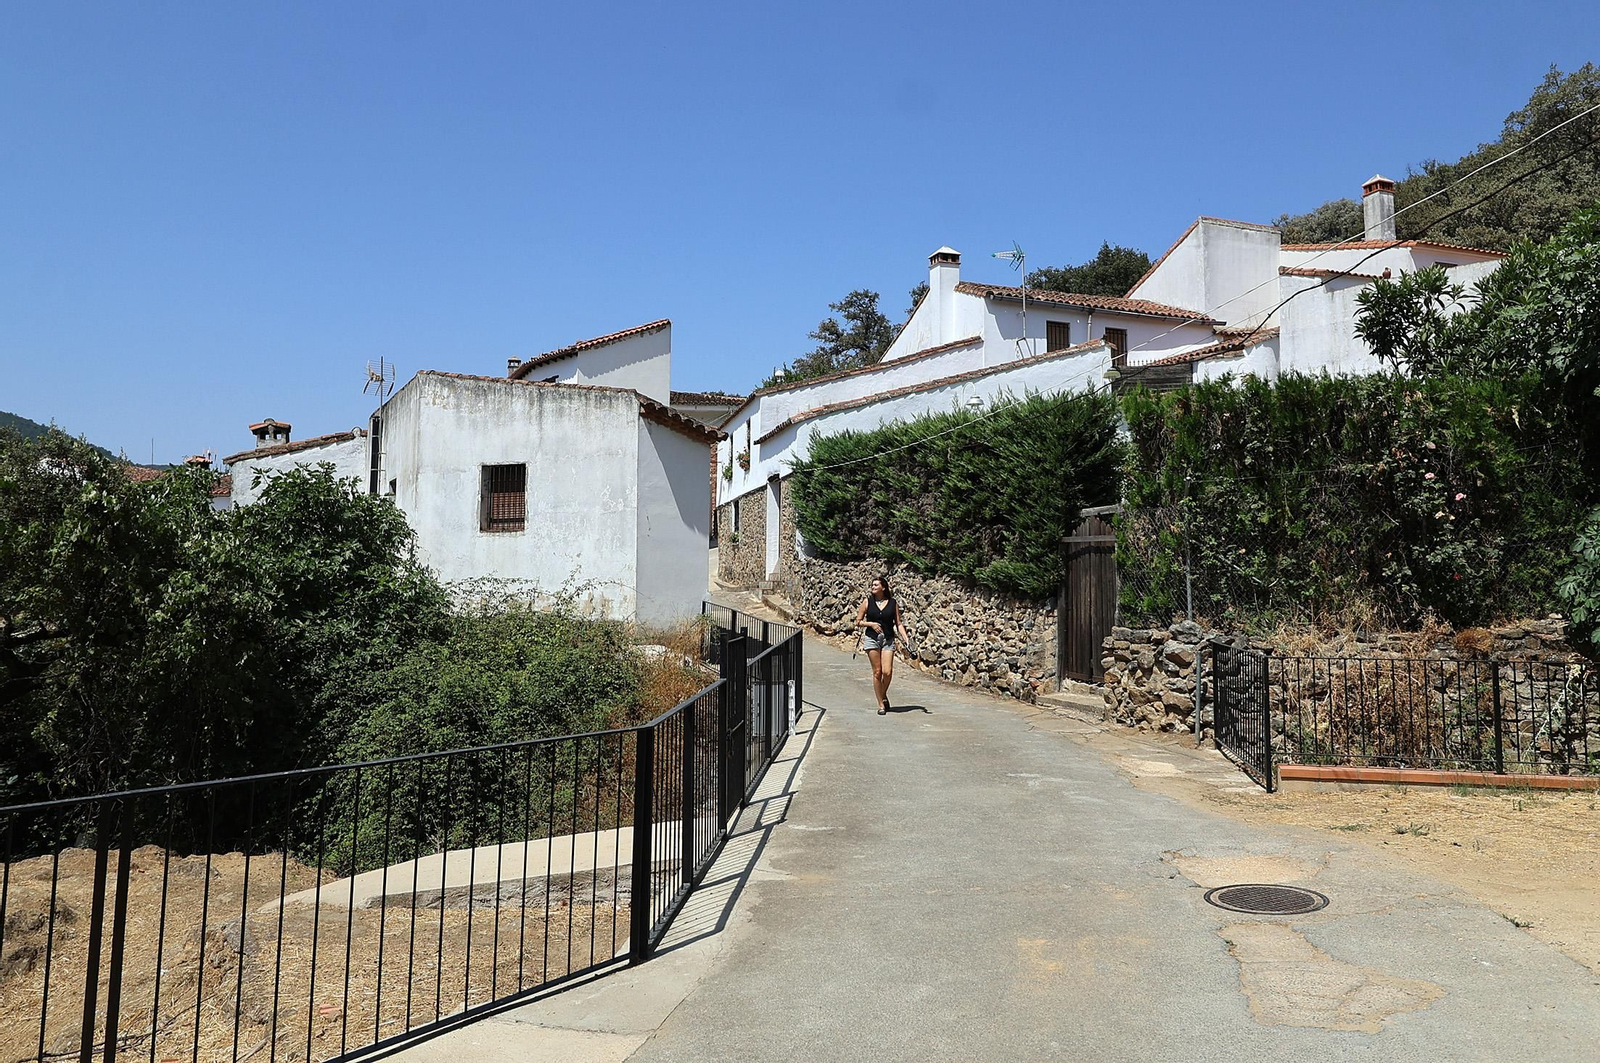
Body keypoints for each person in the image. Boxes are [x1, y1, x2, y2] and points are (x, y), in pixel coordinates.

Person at [856, 574, 911, 715]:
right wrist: (871, 624)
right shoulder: (867, 602)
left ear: (883, 587)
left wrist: (906, 639)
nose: (873, 587)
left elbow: (898, 623)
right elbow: (858, 621)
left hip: (888, 639)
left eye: (876, 585)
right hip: (872, 639)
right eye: (872, 585)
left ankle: (882, 693)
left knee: (887, 672)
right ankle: (881, 704)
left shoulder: (893, 603)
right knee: (877, 672)